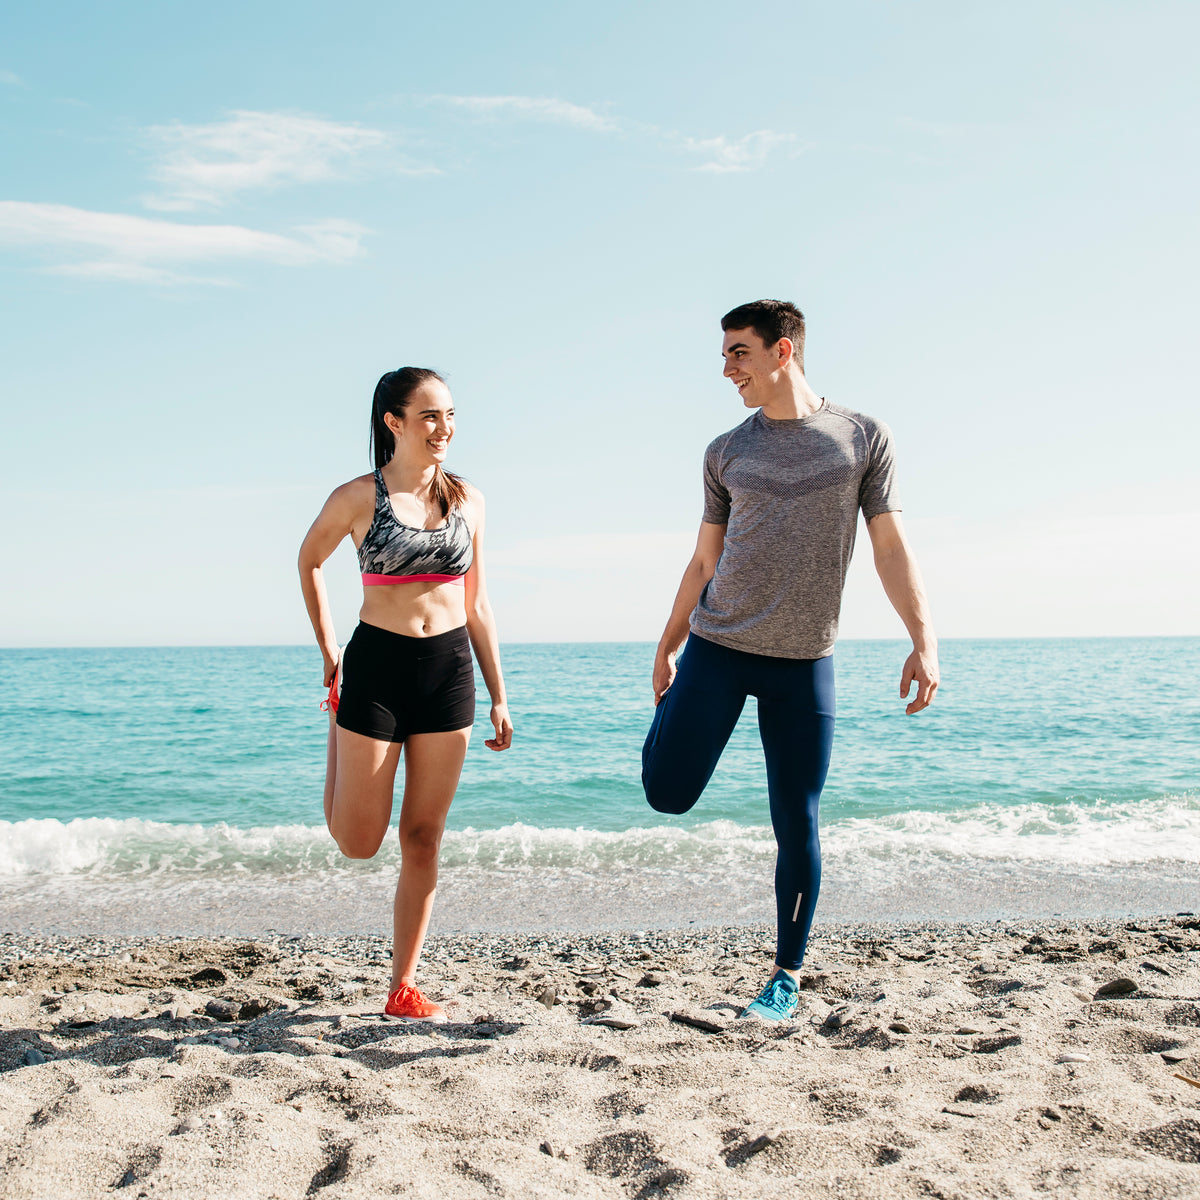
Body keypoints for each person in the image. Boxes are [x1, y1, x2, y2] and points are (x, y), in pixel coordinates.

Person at [642, 300, 938, 1021]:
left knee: (796, 818)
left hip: (805, 657)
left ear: (784, 352)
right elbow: (706, 554)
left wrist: (924, 639)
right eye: (724, 355)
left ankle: (786, 974)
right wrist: (668, 639)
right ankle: (666, 727)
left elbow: (889, 546)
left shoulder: (862, 438)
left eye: (738, 353)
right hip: (719, 645)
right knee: (666, 794)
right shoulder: (725, 451)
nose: (726, 369)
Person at [298, 367, 512, 1022]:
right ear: (393, 421)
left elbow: (478, 605)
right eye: (429, 416)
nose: (444, 428)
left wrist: (499, 693)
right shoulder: (358, 497)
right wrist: (330, 649)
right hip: (377, 668)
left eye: (450, 415)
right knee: (360, 842)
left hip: (448, 672)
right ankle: (338, 728)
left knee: (423, 837)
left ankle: (403, 986)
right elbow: (307, 559)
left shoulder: (469, 500)